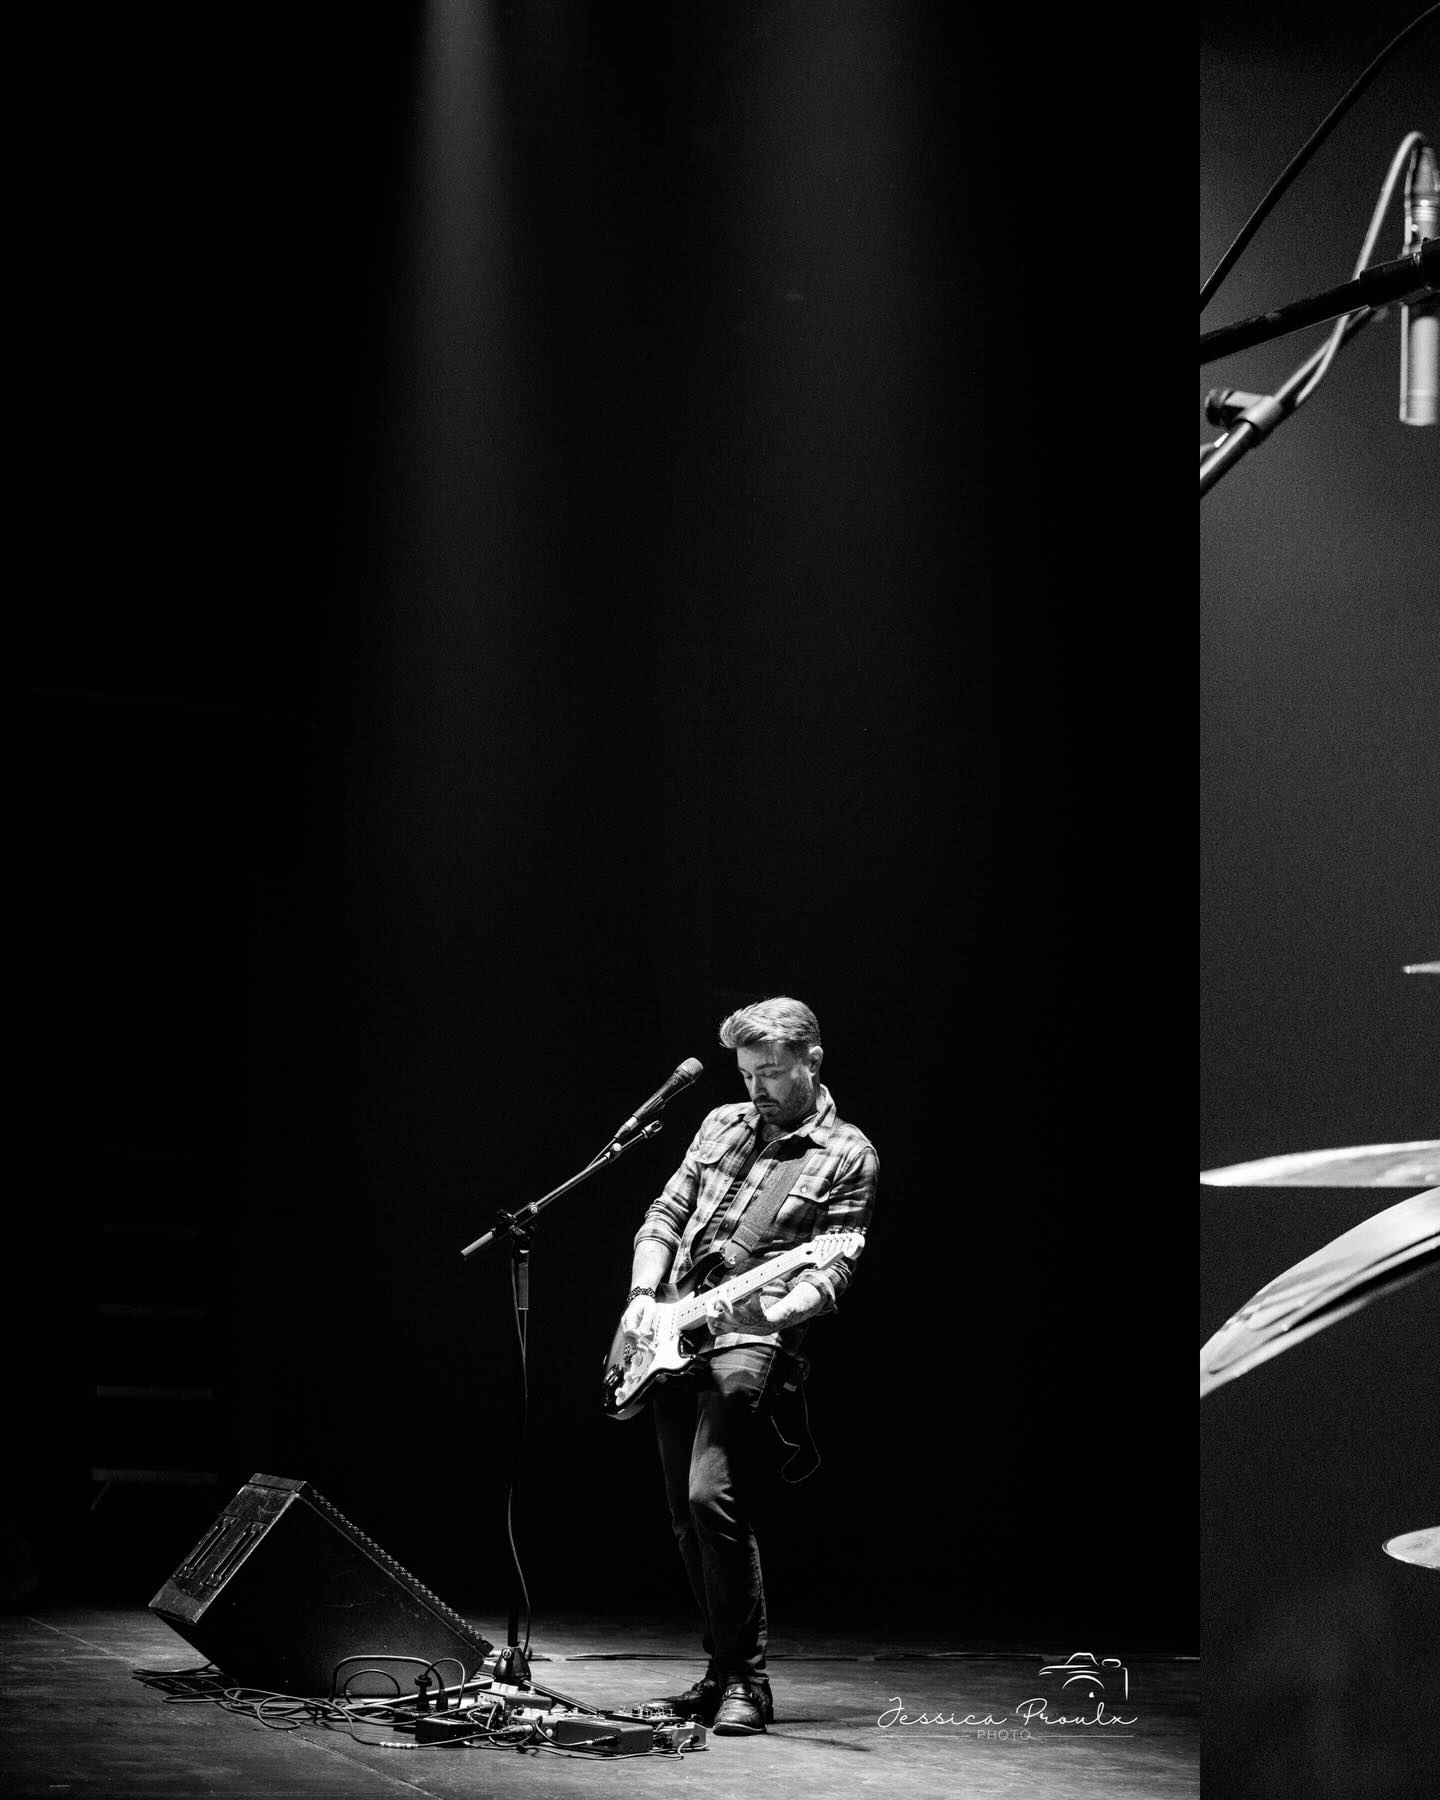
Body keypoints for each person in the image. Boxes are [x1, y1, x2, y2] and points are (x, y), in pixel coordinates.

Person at [617, 996, 878, 1736]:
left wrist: (756, 1316)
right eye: (746, 1072)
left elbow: (828, 1278)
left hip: (748, 1337)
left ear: (811, 1061)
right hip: (669, 1327)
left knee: (710, 1498)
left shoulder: (849, 1154)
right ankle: (717, 1673)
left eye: (769, 1072)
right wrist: (644, 1295)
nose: (756, 1088)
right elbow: (665, 1214)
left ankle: (748, 1683)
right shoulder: (720, 1123)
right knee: (679, 1515)